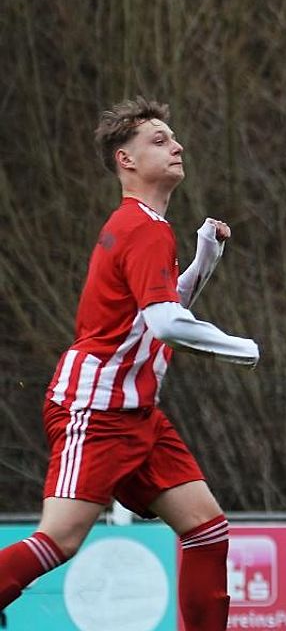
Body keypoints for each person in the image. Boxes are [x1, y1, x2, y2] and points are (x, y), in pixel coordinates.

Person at [0, 97, 260, 631]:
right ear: (127, 160)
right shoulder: (143, 228)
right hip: (94, 409)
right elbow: (164, 324)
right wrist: (242, 348)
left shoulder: (147, 227)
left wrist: (205, 256)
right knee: (59, 540)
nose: (177, 145)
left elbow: (157, 314)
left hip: (137, 411)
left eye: (174, 137)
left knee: (207, 530)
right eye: (159, 140)